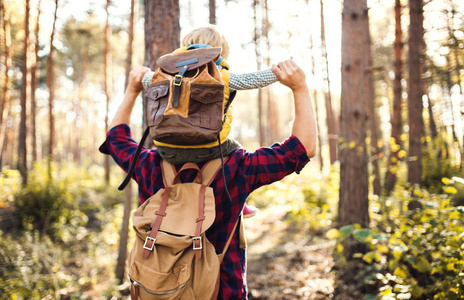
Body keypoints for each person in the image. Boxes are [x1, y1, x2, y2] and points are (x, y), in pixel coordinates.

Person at [99, 59, 317, 299]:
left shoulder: (149, 165)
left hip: (157, 291)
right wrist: (299, 88)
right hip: (224, 292)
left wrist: (132, 90)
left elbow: (115, 139)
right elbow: (302, 148)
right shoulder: (237, 167)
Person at [141, 26, 281, 218]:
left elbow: (144, 80)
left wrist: (140, 75)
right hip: (209, 147)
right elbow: (253, 80)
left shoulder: (163, 73)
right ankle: (240, 202)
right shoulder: (221, 76)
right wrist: (279, 71)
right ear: (219, 51)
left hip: (166, 148)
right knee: (237, 152)